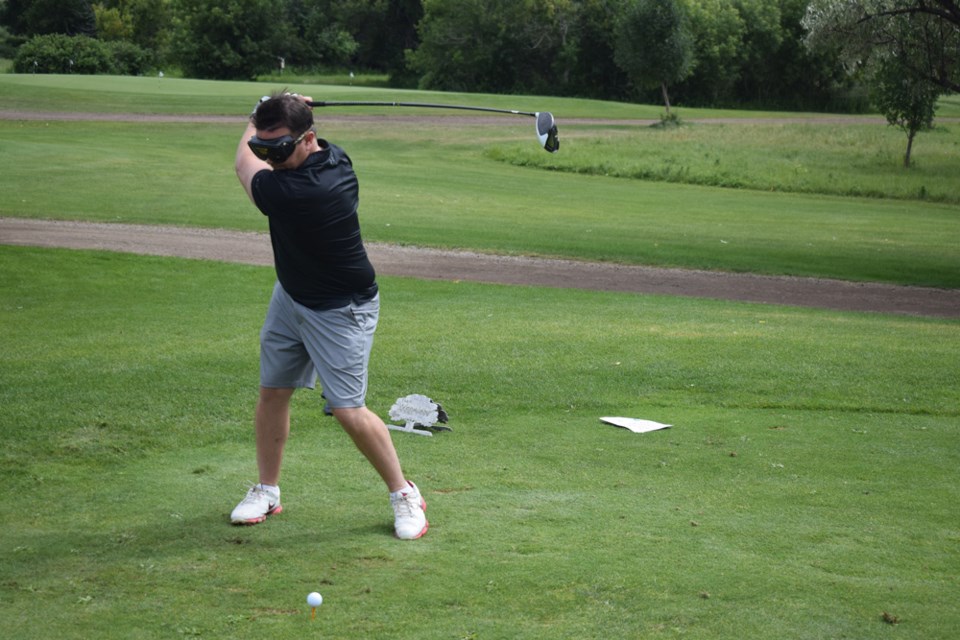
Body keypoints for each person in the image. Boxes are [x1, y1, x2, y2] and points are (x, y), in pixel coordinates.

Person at [231, 92, 428, 540]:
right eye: (265, 148)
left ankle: (404, 493)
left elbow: (242, 165)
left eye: (278, 149)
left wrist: (252, 119)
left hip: (341, 309)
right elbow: (260, 152)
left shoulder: (305, 189)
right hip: (292, 296)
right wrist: (278, 113)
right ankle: (267, 489)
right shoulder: (328, 155)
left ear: (308, 140)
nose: (270, 158)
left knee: (347, 409)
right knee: (273, 391)